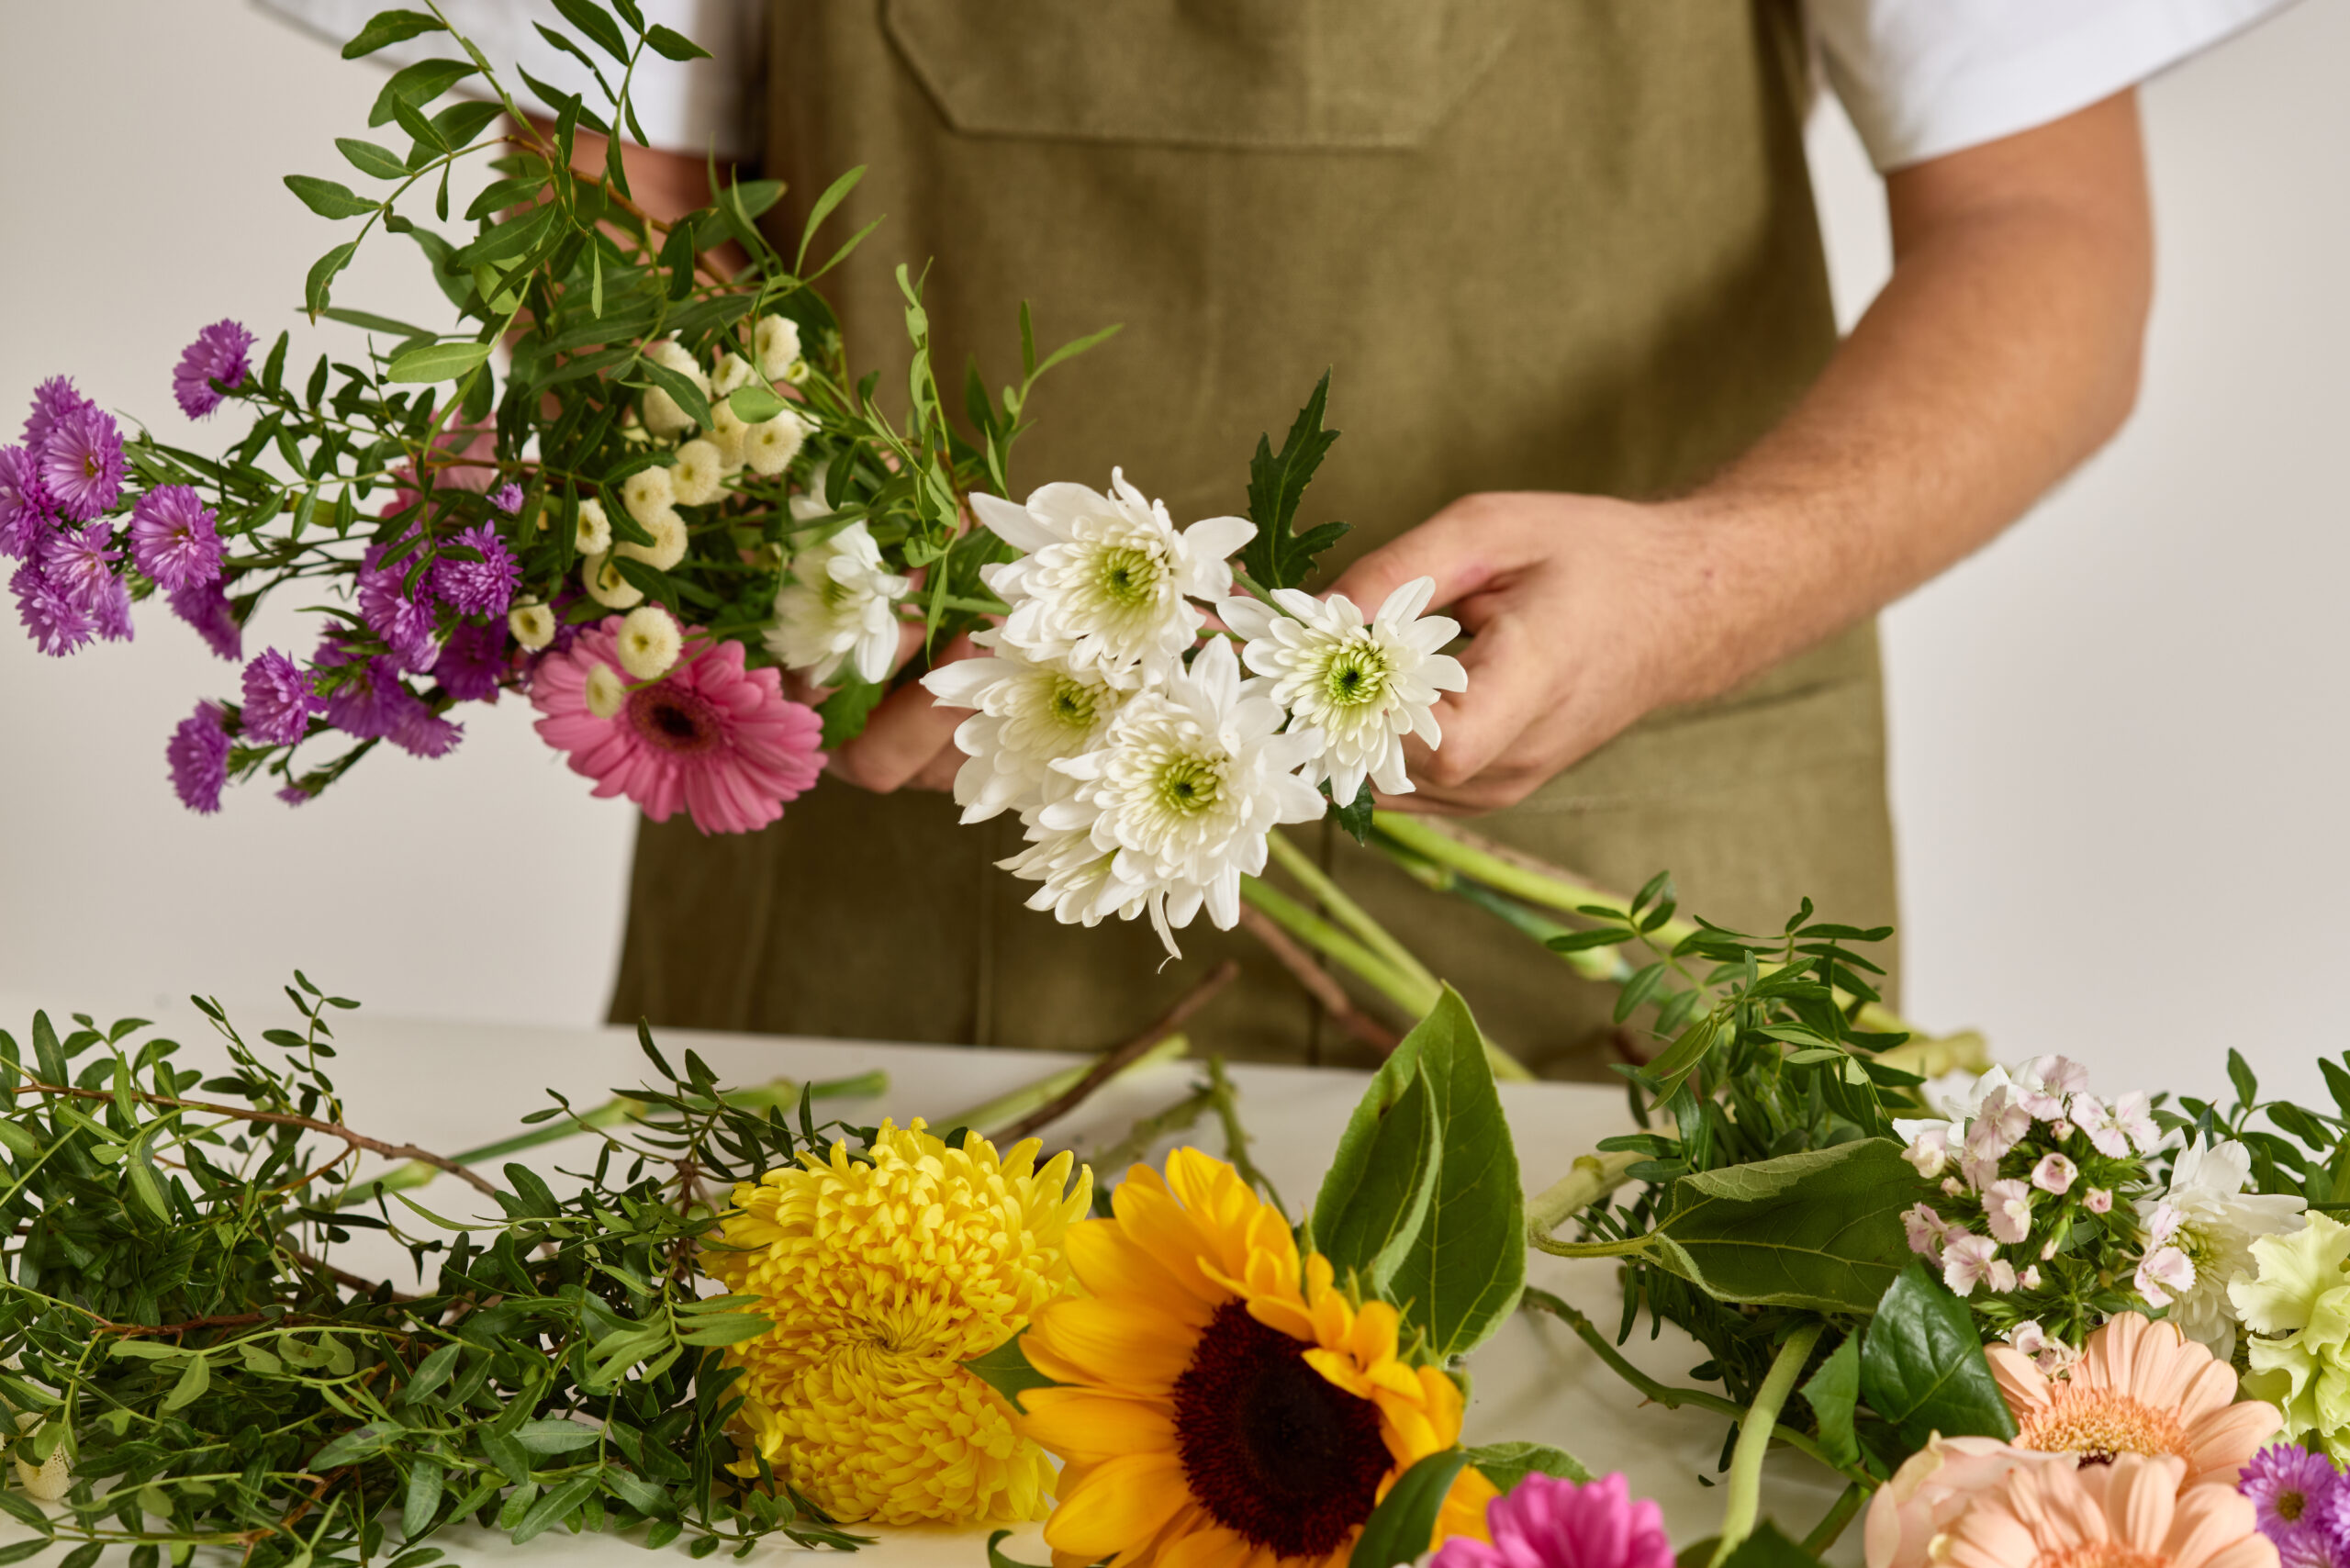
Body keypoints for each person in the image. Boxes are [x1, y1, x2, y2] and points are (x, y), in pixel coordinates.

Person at [267, 0, 2299, 1072]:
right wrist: (649, 513)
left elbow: (2044, 249)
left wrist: (1702, 587)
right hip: (898, 913)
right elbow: (612, 220)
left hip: (1613, 903)